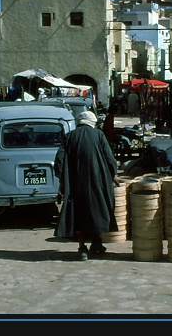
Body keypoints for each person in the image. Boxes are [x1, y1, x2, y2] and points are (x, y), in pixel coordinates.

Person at [54, 110, 119, 261]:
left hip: (76, 182)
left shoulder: (70, 136)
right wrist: (113, 173)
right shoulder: (99, 135)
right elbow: (109, 157)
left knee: (79, 213)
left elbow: (60, 159)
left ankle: (83, 248)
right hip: (98, 181)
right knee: (97, 209)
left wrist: (62, 181)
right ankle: (96, 241)